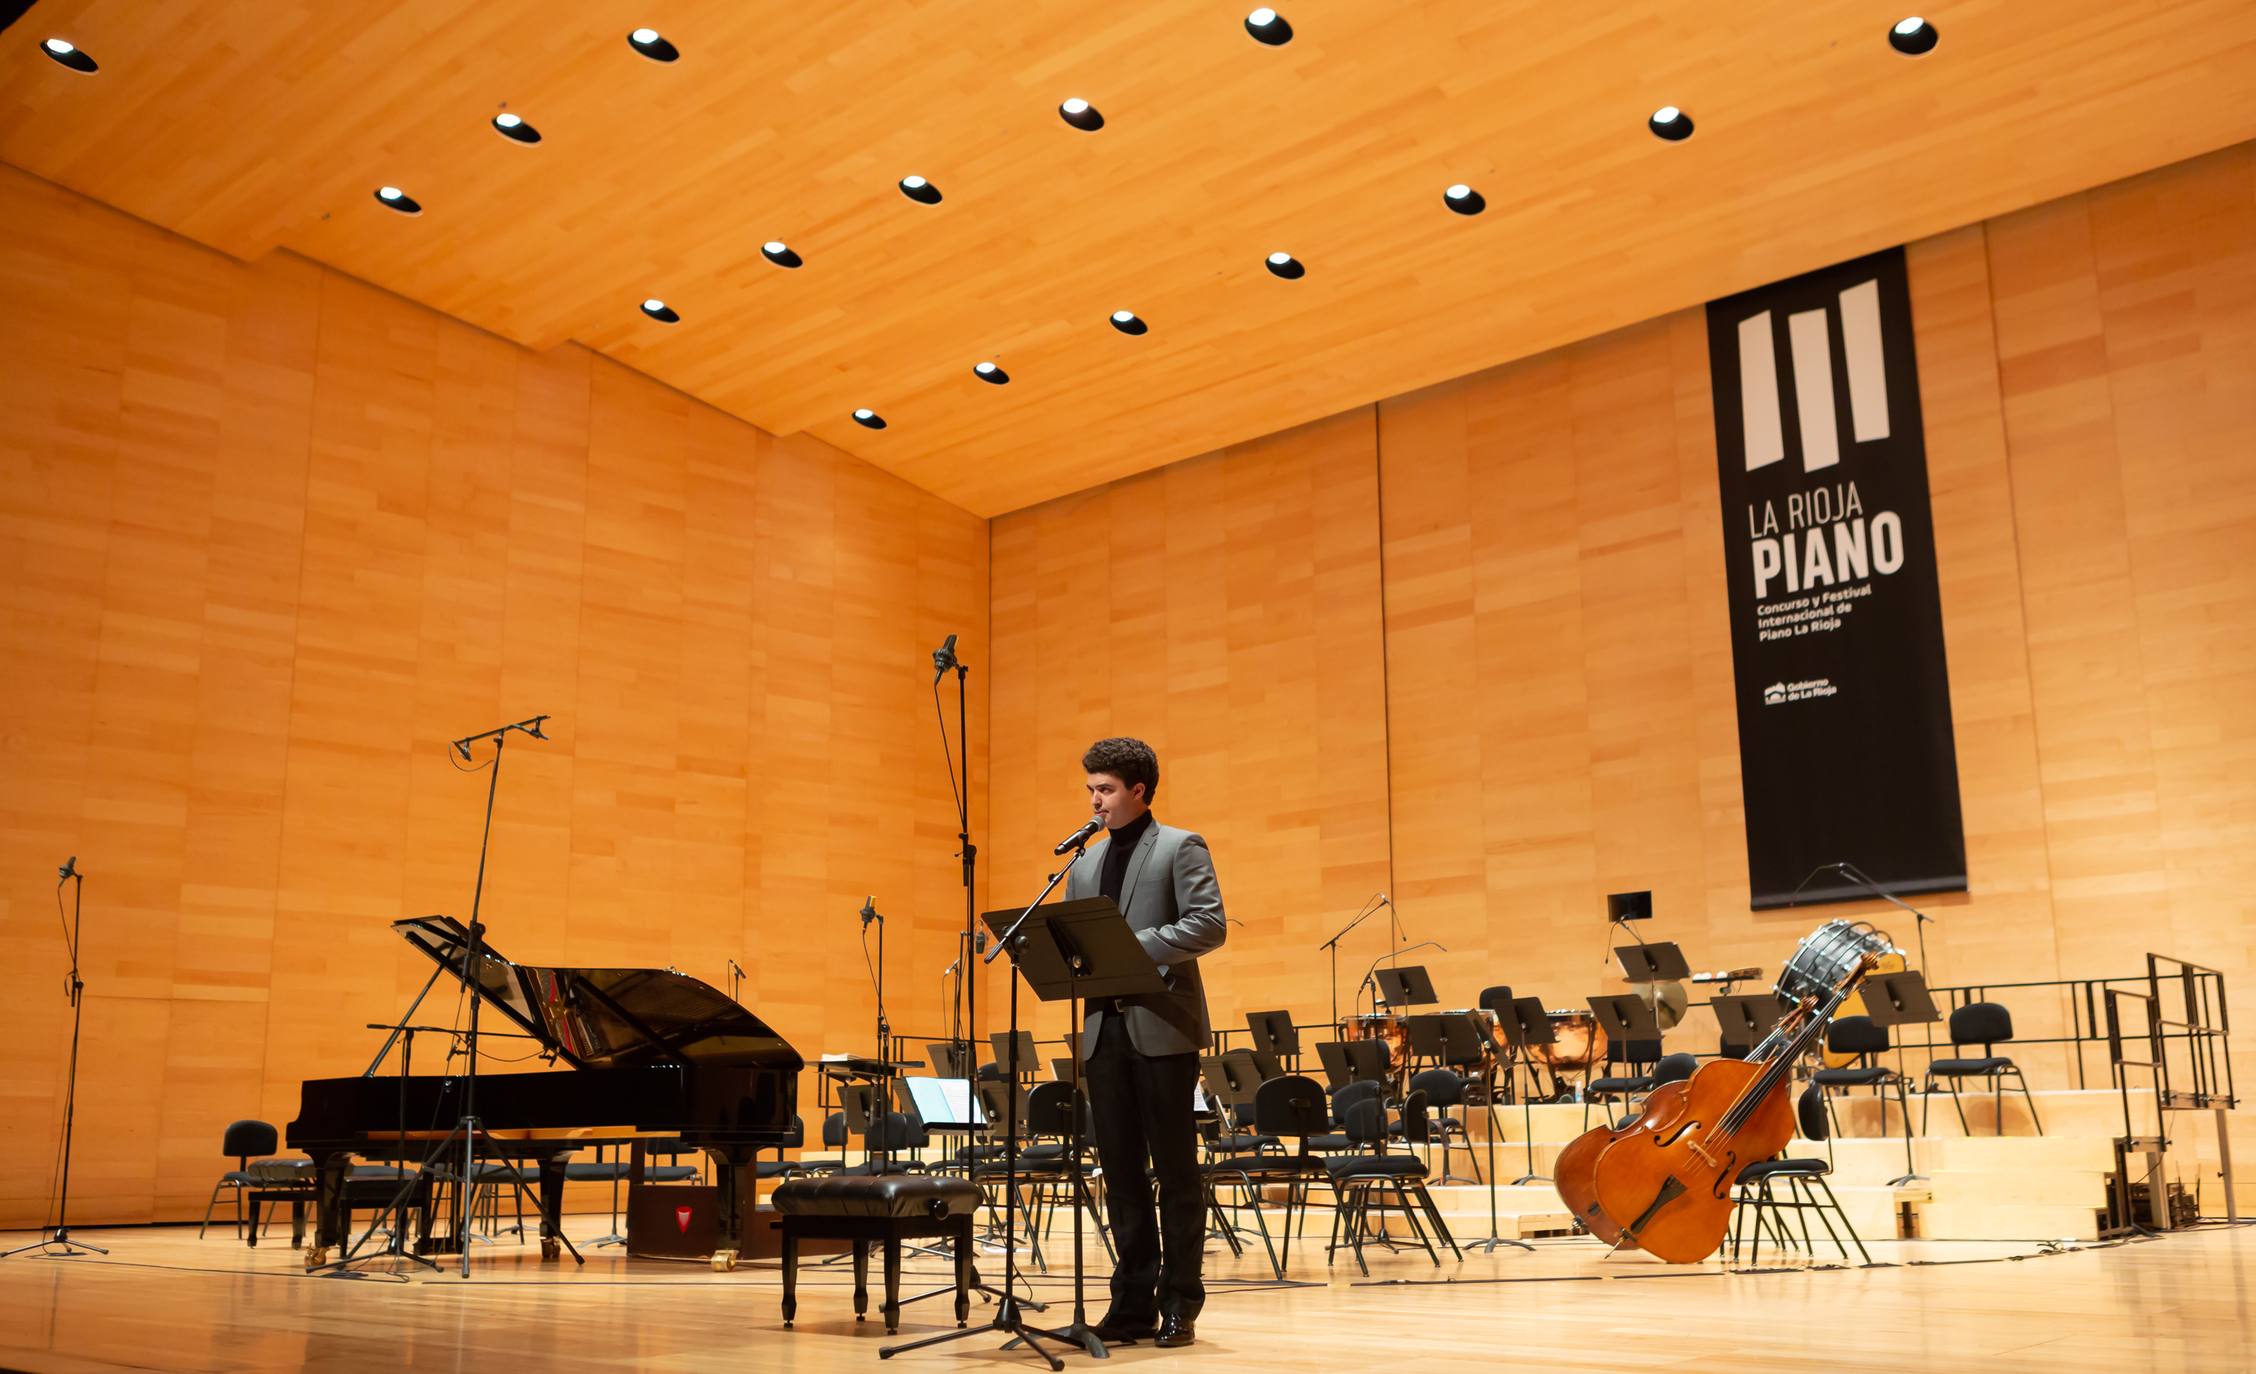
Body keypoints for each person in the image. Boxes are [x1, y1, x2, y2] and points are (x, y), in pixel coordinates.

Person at [1066, 736, 1226, 1350]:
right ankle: (1131, 1305)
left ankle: (1180, 1303)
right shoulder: (1081, 863)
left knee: (1176, 1173)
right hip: (1102, 1033)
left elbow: (1207, 925)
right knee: (1122, 1174)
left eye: (1105, 789)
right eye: (1090, 790)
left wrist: (1136, 949)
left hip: (1162, 1028)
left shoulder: (1180, 846)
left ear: (1138, 790)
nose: (1095, 801)